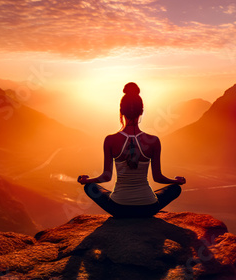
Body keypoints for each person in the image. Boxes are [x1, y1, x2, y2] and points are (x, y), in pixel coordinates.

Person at [77, 82, 186, 218]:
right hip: (148, 208)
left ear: (121, 111)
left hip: (119, 208)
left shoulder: (110, 140)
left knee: (90, 188)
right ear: (141, 111)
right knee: (175, 189)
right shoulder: (154, 141)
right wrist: (177, 181)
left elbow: (106, 176)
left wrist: (86, 180)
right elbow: (158, 177)